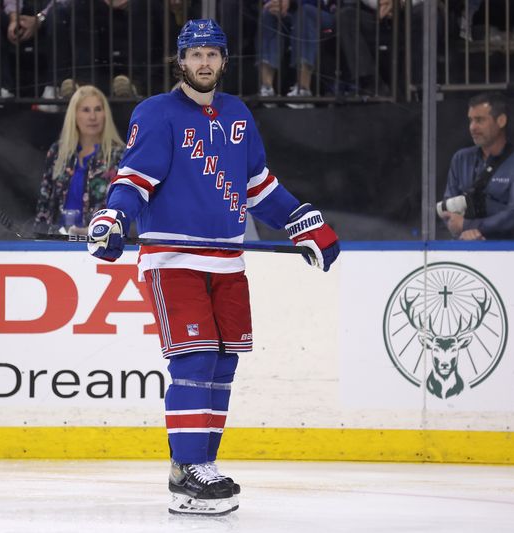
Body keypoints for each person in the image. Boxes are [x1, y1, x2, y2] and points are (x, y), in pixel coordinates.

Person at [86, 19, 340, 516]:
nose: (204, 63)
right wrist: (113, 216)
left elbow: (257, 186)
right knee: (195, 358)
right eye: (195, 54)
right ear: (180, 61)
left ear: (224, 61)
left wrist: (301, 221)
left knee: (224, 362)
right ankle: (185, 471)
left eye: (213, 54)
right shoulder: (156, 114)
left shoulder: (239, 115)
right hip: (174, 260)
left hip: (226, 262)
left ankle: (204, 465)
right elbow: (134, 179)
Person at [439, 92, 514, 240]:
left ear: (501, 121)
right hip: (465, 245)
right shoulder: (460, 159)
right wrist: (463, 230)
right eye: (470, 120)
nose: (472, 127)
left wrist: (469, 226)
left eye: (479, 120)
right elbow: (448, 209)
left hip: (511, 250)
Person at [34, 84, 124, 234]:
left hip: (100, 241)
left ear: (105, 114)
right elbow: (45, 201)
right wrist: (37, 236)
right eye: (86, 110)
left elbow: (124, 206)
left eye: (98, 109)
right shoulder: (58, 152)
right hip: (56, 243)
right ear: (74, 115)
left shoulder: (119, 155)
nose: (92, 117)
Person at [259, 0, 335, 108]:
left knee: (305, 12)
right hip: (290, 14)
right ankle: (267, 89)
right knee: (269, 13)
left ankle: (303, 90)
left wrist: (291, 2)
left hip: (324, 15)